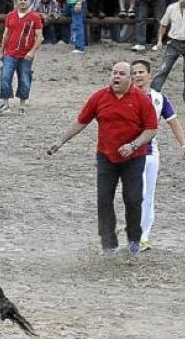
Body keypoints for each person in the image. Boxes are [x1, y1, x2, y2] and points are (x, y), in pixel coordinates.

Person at [48, 62, 158, 254]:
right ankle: (108, 243)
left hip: (134, 158)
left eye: (121, 74)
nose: (116, 77)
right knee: (104, 199)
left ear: (130, 78)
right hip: (106, 156)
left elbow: (151, 129)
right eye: (114, 73)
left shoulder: (141, 100)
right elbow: (81, 122)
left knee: (132, 199)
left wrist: (133, 145)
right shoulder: (99, 97)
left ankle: (134, 240)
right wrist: (60, 141)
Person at [130, 59, 185, 251]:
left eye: (141, 72)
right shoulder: (125, 97)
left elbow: (173, 122)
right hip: (131, 153)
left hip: (151, 153)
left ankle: (143, 237)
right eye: (134, 73)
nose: (137, 76)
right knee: (137, 195)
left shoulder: (159, 99)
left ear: (149, 75)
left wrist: (184, 145)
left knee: (148, 196)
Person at [0, 0, 43, 115]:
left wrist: (32, 52)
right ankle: (5, 104)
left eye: (25, 0)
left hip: (25, 54)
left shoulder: (35, 17)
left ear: (30, 1)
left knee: (25, 78)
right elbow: (6, 34)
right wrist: (2, 51)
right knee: (5, 76)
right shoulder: (10, 15)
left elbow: (39, 37)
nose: (22, 2)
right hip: (10, 53)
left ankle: (22, 105)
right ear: (16, 0)